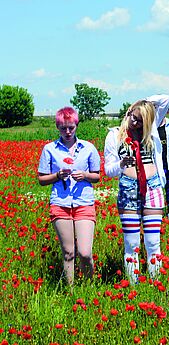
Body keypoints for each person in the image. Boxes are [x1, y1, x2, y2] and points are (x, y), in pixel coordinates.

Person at [104, 94, 169, 285]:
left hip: (153, 189)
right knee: (132, 244)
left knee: (153, 243)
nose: (134, 122)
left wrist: (144, 104)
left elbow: (165, 99)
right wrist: (121, 164)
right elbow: (108, 171)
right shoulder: (114, 135)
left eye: (140, 120)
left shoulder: (151, 130)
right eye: (133, 116)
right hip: (128, 191)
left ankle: (156, 283)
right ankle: (133, 285)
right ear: (128, 112)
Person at [37, 107, 101, 284]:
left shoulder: (88, 148)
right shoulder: (49, 149)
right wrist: (58, 176)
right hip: (60, 203)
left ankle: (88, 286)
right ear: (57, 127)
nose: (67, 132)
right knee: (68, 252)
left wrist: (85, 175)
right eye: (63, 128)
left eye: (71, 127)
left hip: (83, 203)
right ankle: (71, 291)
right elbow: (42, 179)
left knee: (85, 253)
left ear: (76, 125)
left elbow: (97, 176)